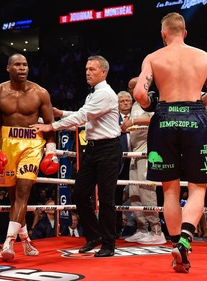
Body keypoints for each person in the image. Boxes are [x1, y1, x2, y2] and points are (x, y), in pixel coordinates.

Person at [133, 12, 207, 273]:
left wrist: (153, 102)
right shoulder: (204, 57)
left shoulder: (153, 58)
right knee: (197, 187)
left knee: (170, 189)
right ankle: (185, 240)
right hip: (195, 118)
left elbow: (140, 93)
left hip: (163, 118)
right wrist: (198, 98)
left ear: (164, 34)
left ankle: (175, 249)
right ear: (184, 33)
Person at [31, 55, 122, 257]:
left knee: (106, 199)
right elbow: (85, 116)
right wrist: (61, 113)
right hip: (92, 149)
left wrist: (50, 126)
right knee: (80, 193)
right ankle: (94, 236)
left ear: (103, 72)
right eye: (86, 68)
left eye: (92, 69)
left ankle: (109, 244)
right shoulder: (93, 95)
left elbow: (82, 116)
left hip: (108, 149)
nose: (88, 72)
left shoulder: (105, 94)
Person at [0, 53, 59, 261]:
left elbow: (49, 123)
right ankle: (26, 240)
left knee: (23, 191)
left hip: (32, 144)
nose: (22, 68)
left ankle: (8, 243)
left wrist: (51, 151)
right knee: (13, 197)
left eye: (25, 65)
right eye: (17, 65)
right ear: (8, 68)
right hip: (7, 143)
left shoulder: (40, 93)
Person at [122, 77, 165, 244]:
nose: (133, 91)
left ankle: (156, 230)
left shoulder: (152, 100)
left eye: (135, 87)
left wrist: (133, 121)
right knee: (134, 192)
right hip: (134, 152)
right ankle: (141, 228)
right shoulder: (134, 105)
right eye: (131, 88)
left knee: (147, 190)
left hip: (148, 151)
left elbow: (156, 119)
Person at [116, 90, 133, 236]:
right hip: (119, 160)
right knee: (116, 193)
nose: (125, 103)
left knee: (140, 191)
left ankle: (142, 227)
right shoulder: (113, 118)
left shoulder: (137, 117)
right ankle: (115, 228)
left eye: (128, 100)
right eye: (122, 101)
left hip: (136, 159)